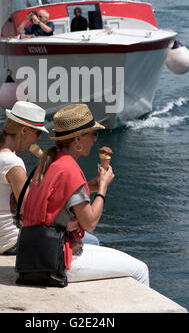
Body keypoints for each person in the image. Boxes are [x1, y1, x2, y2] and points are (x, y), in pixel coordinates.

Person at [22, 103, 149, 285]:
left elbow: (57, 199)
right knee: (140, 270)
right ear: (77, 141)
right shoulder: (71, 170)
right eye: (92, 134)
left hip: (35, 253)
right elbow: (90, 223)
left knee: (95, 245)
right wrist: (103, 187)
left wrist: (89, 187)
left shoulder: (51, 162)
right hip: (56, 261)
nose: (95, 139)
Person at [0, 101, 48, 255]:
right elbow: (29, 210)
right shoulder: (13, 163)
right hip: (11, 241)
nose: (38, 139)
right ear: (24, 131)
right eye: (37, 133)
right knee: (90, 240)